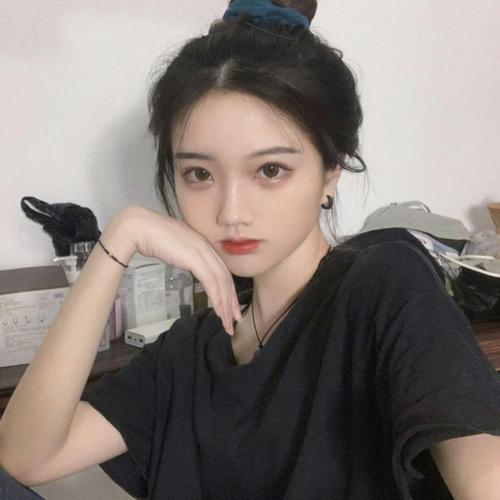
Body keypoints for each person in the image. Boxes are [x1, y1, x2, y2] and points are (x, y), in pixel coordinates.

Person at [1, 1, 499, 499]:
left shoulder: (385, 286)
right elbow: (26, 456)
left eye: (270, 170)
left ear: (331, 172)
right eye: (199, 174)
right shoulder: (186, 351)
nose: (231, 212)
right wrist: (118, 238)